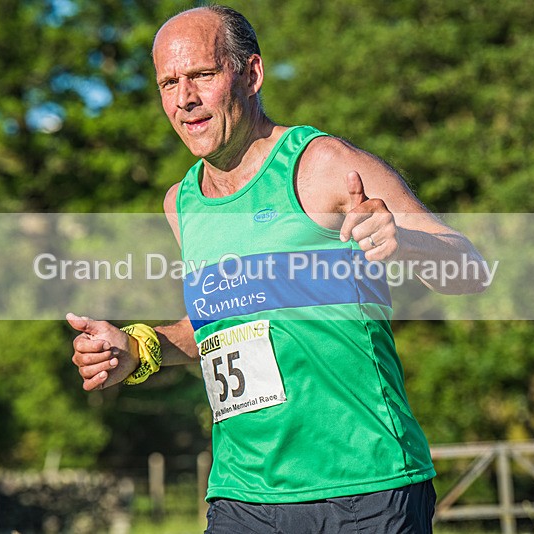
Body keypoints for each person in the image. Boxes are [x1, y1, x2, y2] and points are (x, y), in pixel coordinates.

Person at [68, 5, 487, 532]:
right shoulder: (181, 204)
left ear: (250, 74)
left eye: (201, 74)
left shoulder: (320, 165)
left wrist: (404, 242)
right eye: (168, 82)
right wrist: (139, 348)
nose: (184, 99)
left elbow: (471, 268)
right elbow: (226, 331)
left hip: (364, 487)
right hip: (242, 496)